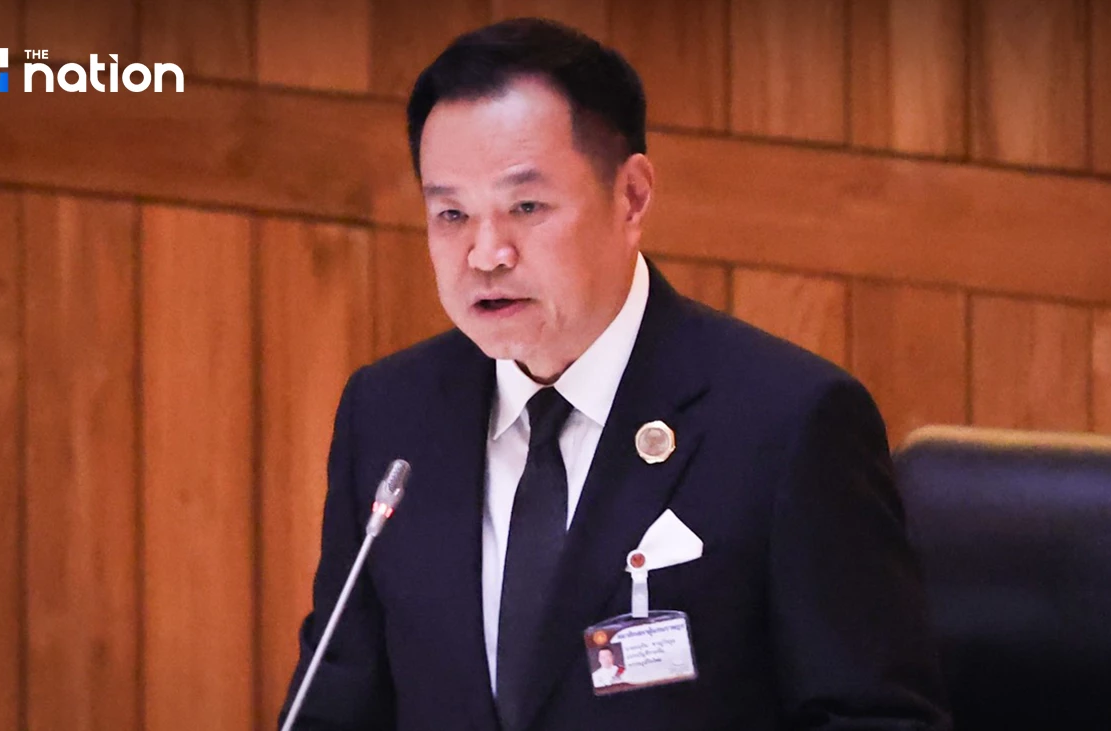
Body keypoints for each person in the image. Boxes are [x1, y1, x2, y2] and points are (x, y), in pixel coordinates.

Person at [281, 17, 952, 731]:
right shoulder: (391, 412)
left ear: (631, 197)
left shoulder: (786, 424)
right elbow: (335, 705)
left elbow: (876, 719)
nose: (485, 253)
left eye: (526, 207)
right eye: (451, 213)